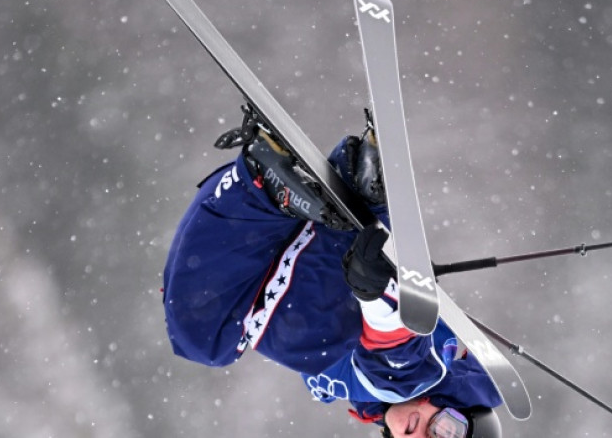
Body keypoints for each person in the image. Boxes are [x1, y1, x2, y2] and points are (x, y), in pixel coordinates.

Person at [162, 119, 503, 438]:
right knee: (382, 373)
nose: (421, 434)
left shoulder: (372, 397)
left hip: (297, 245)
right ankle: (365, 191)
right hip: (361, 285)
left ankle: (271, 188)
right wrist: (380, 293)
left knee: (205, 338)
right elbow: (401, 357)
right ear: (462, 405)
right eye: (447, 430)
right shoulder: (424, 374)